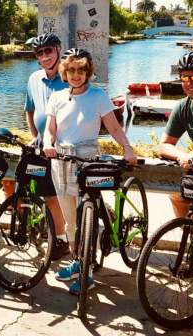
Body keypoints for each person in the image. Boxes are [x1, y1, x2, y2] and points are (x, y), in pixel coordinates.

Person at [43, 47, 137, 295]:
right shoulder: (57, 97)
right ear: (64, 72)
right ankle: (77, 261)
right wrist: (46, 144)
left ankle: (89, 270)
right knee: (70, 222)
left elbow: (114, 128)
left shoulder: (98, 96)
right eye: (71, 70)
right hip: (61, 160)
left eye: (81, 70)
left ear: (88, 71)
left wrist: (127, 148)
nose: (76, 75)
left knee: (88, 217)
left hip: (87, 162)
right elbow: (50, 129)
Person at [19, 32, 69, 261]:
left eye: (48, 50)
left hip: (66, 148)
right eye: (39, 52)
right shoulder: (34, 79)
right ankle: (55, 236)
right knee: (46, 194)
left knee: (62, 197)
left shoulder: (70, 77)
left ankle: (63, 239)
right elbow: (29, 109)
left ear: (58, 50)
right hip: (42, 146)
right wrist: (33, 134)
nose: (44, 56)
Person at [159, 51, 193, 217]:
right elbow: (164, 145)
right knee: (181, 201)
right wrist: (183, 156)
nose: (189, 84)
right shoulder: (183, 107)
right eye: (184, 78)